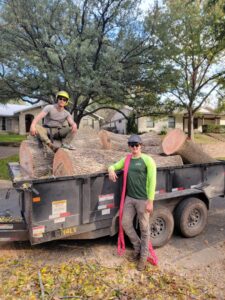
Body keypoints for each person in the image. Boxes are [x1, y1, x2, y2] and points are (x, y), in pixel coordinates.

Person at [108, 134, 156, 271]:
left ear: (141, 146)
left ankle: (143, 258)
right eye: (132, 145)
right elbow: (114, 165)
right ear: (129, 146)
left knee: (144, 229)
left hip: (143, 199)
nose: (135, 147)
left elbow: (153, 181)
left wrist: (150, 201)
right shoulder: (127, 159)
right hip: (130, 198)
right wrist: (111, 169)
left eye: (137, 145)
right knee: (125, 223)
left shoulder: (148, 160)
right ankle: (137, 248)